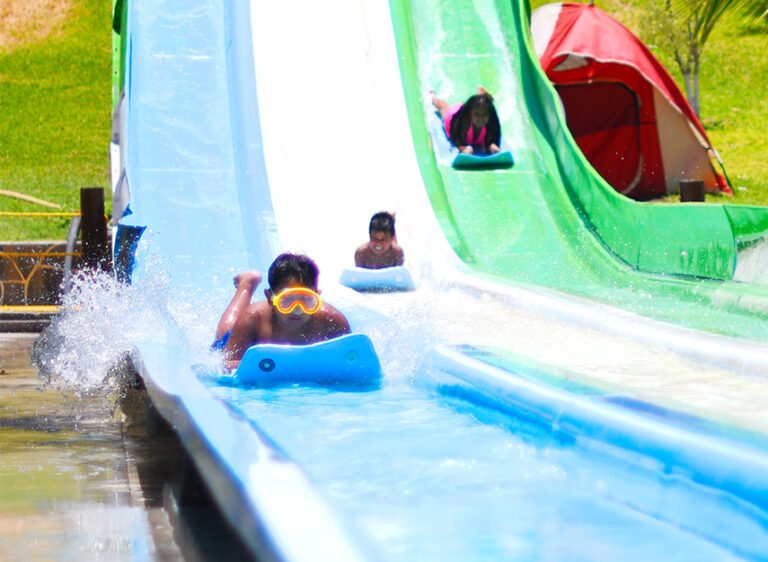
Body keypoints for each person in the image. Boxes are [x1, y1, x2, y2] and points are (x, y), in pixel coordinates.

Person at [214, 253, 350, 369]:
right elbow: (226, 365)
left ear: (317, 297)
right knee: (225, 333)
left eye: (306, 300)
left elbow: (351, 361)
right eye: (287, 300)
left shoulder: (332, 321)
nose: (297, 310)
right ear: (270, 298)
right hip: (239, 334)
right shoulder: (253, 318)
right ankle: (246, 284)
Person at [432, 86, 501, 155]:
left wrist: (491, 147)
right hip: (452, 119)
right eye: (477, 115)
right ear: (470, 115)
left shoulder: (489, 123)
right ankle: (433, 96)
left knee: (479, 106)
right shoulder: (464, 125)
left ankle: (481, 96)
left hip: (468, 110)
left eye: (484, 115)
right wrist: (464, 149)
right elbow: (457, 142)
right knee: (443, 108)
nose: (481, 119)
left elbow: (488, 143)